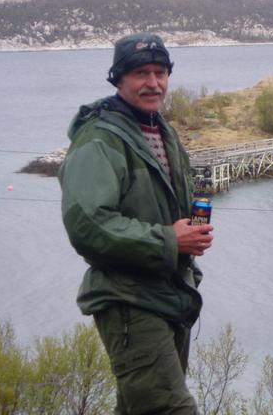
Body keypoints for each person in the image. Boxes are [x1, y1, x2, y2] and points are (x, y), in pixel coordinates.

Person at [59, 32, 213, 414]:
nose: (153, 83)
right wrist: (167, 240)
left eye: (160, 72)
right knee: (171, 408)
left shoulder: (161, 130)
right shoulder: (100, 138)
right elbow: (87, 224)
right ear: (118, 78)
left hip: (169, 294)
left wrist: (187, 234)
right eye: (141, 73)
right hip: (128, 299)